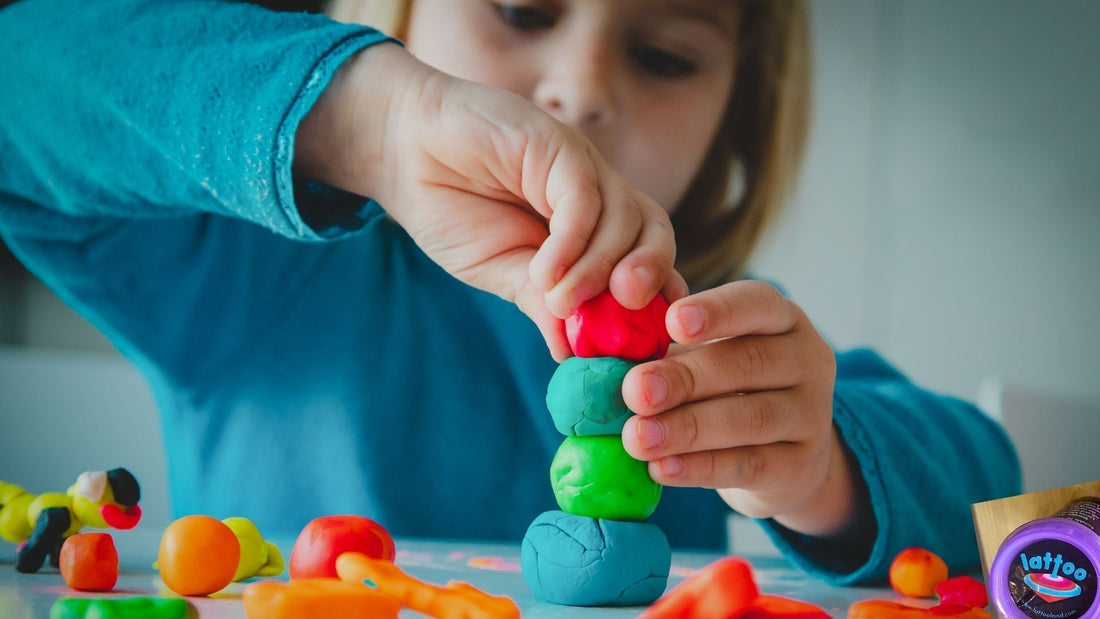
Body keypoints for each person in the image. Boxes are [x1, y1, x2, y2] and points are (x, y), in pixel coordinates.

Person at [0, 0, 1019, 584]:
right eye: (521, 8)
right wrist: (368, 121)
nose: (581, 89)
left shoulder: (707, 334)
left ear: (734, 124)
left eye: (665, 54)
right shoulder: (248, 281)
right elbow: (19, 77)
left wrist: (818, 468)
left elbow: (995, 492)